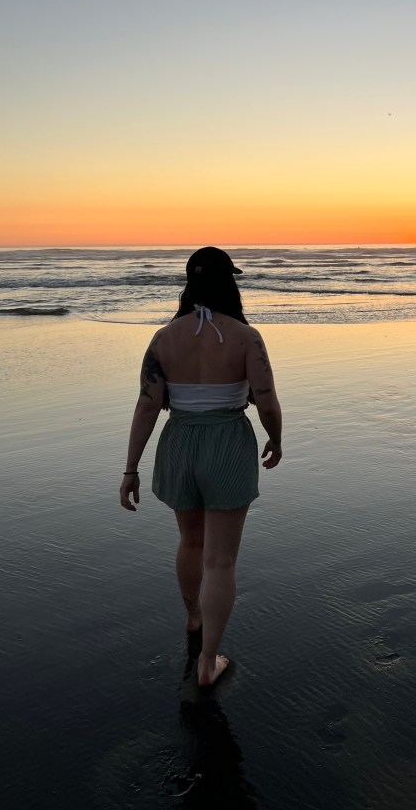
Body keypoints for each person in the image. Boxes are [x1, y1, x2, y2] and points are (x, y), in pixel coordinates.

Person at [120, 246, 283, 686]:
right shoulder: (246, 337)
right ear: (230, 284)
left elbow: (147, 405)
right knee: (221, 561)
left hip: (179, 443)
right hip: (227, 442)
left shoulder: (164, 338)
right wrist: (275, 437)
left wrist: (130, 469)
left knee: (190, 542)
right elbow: (266, 399)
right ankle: (208, 663)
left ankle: (193, 616)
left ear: (190, 284)